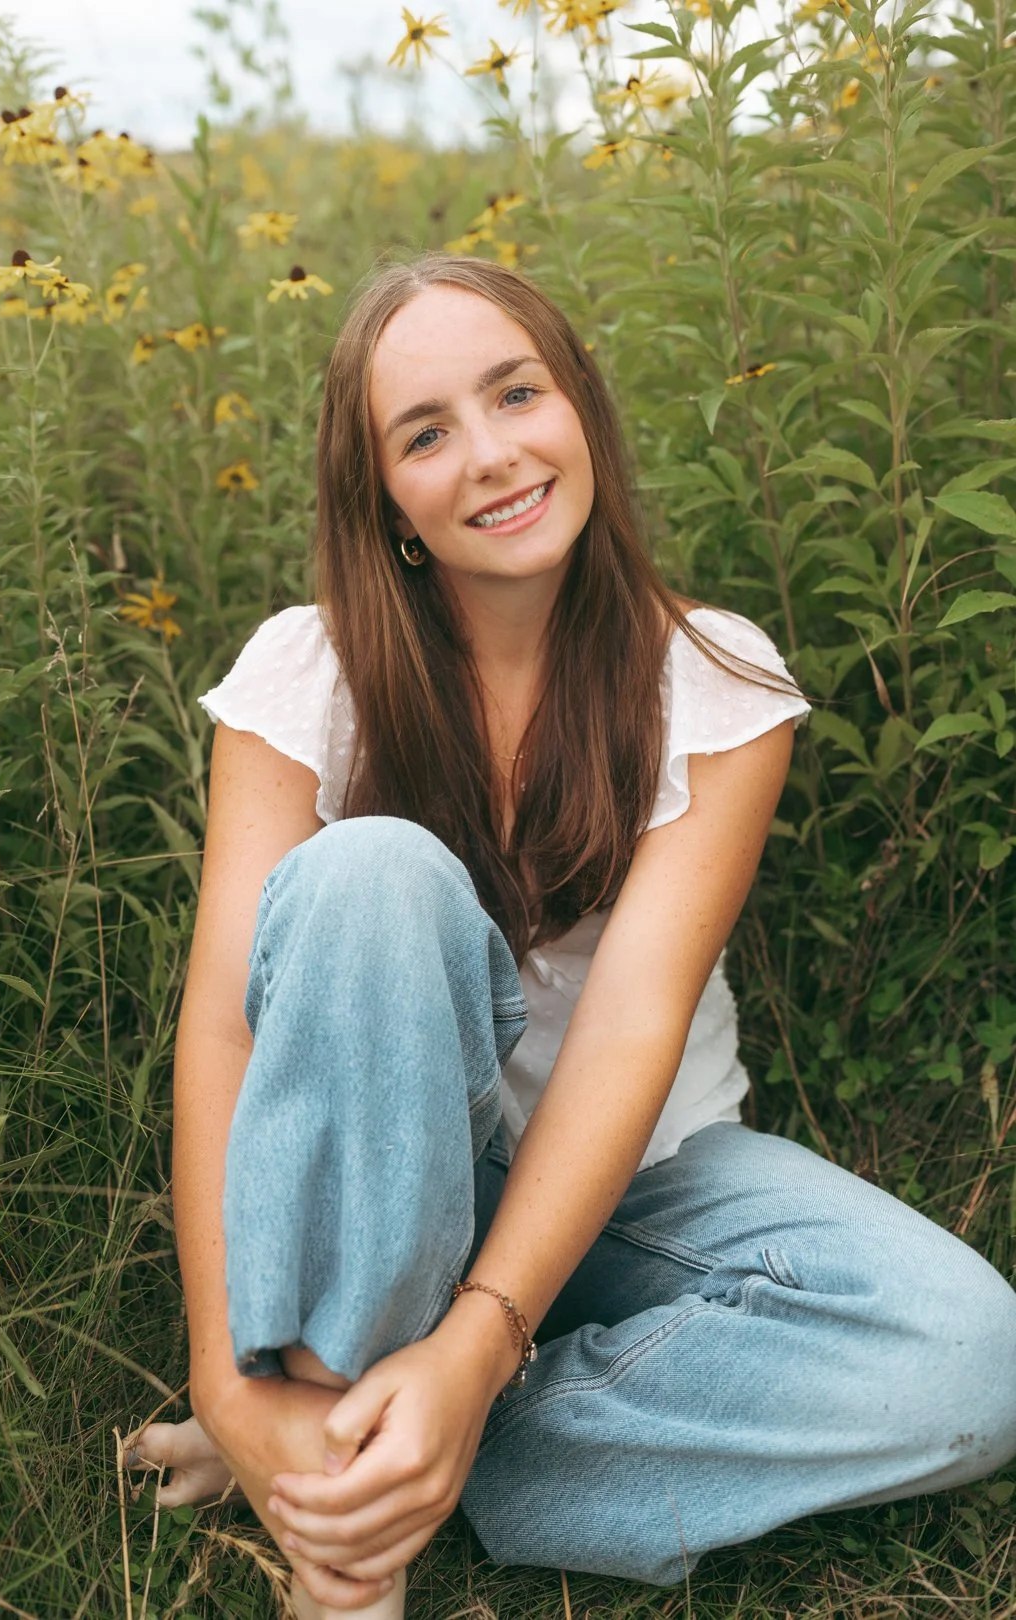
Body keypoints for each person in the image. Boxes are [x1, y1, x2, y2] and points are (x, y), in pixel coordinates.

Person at [127, 254, 1016, 1619]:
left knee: (975, 1357)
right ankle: (343, 1533)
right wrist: (219, 1378)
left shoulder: (711, 680)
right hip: (384, 1172)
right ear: (387, 502)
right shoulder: (308, 676)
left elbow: (629, 1031)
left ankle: (368, 1454)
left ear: (581, 404)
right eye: (426, 434)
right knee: (373, 873)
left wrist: (477, 1351)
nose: (491, 455)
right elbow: (225, 1029)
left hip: (646, 1176)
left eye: (515, 394)